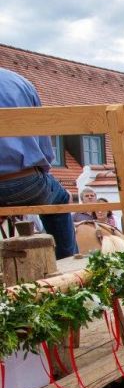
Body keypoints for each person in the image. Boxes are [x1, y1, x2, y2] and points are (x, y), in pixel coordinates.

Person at [0, 67, 77, 259]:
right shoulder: (19, 82)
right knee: (61, 199)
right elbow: (45, 148)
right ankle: (66, 261)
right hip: (25, 183)